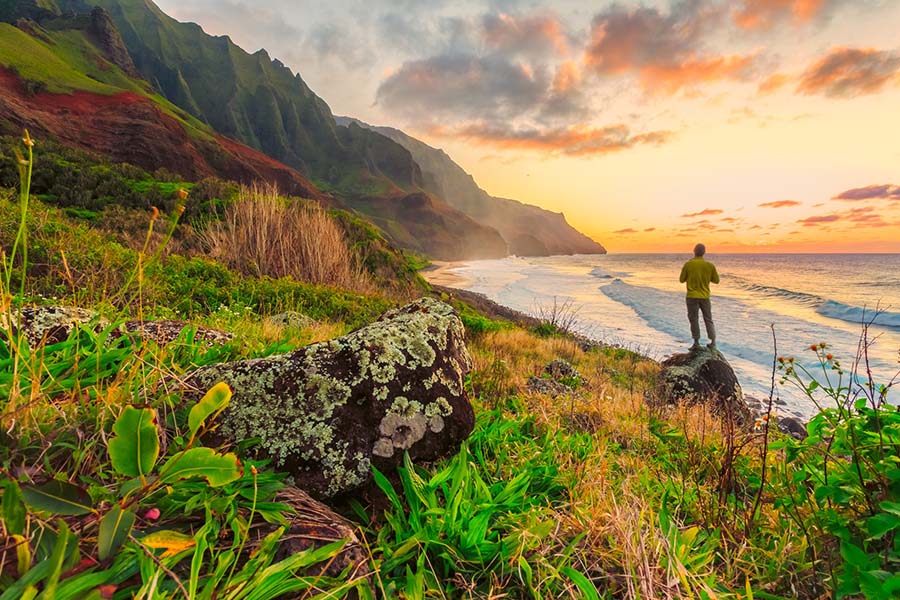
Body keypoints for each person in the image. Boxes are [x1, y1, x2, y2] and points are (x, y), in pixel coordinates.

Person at [679, 243, 719, 351]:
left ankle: (696, 342)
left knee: (694, 319)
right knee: (708, 319)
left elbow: (681, 279)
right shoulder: (710, 266)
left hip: (692, 296)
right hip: (705, 296)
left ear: (694, 251)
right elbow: (716, 280)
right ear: (704, 253)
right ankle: (713, 341)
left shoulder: (688, 265)